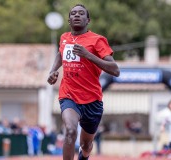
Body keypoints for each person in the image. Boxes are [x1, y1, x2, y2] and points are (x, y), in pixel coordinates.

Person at [47, 4, 119, 160]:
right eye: (73, 13)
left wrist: (88, 55)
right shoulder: (64, 38)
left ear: (88, 20)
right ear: (69, 20)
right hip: (69, 95)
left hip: (92, 100)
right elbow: (60, 54)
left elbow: (115, 69)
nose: (77, 15)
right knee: (70, 131)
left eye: (81, 13)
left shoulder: (97, 40)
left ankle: (84, 156)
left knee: (86, 145)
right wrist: (53, 71)